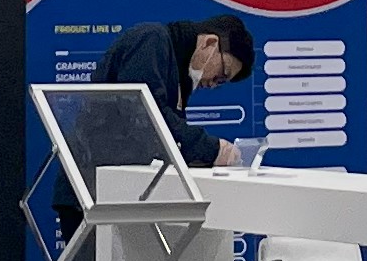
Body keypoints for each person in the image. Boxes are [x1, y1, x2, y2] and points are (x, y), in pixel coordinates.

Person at [91, 12, 255, 167]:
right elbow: (146, 116)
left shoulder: (180, 72)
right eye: (222, 74)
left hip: (118, 168)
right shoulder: (152, 40)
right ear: (210, 43)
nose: (213, 84)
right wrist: (211, 149)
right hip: (98, 169)